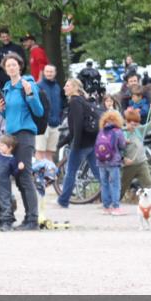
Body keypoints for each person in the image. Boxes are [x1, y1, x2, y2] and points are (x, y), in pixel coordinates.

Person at [0, 52, 42, 230]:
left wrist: (30, 94)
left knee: (25, 175)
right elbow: (7, 114)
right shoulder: (7, 87)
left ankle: (33, 218)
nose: (11, 67)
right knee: (18, 177)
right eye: (8, 65)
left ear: (20, 66)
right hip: (11, 136)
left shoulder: (28, 84)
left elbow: (38, 111)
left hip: (25, 134)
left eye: (14, 64)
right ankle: (27, 217)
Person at [56, 78, 100, 208]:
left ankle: (63, 201)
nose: (64, 88)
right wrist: (61, 143)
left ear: (75, 88)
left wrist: (74, 145)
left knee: (70, 173)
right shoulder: (82, 101)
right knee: (98, 172)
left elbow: (77, 126)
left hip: (80, 145)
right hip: (90, 143)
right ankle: (112, 197)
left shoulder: (75, 102)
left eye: (67, 85)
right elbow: (75, 128)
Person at [120, 104, 151, 200]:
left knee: (150, 186)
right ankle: (113, 204)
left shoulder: (140, 130)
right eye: (130, 121)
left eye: (135, 121)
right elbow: (118, 149)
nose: (133, 123)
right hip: (128, 166)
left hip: (142, 163)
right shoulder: (121, 132)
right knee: (121, 187)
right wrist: (124, 159)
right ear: (125, 121)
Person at [94, 109, 127, 216]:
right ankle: (116, 207)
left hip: (101, 162)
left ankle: (106, 207)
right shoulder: (118, 131)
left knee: (104, 184)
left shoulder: (101, 131)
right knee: (115, 184)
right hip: (113, 162)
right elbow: (122, 145)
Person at [0, 134, 24, 231]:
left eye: (2, 145)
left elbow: (14, 173)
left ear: (10, 148)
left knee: (5, 203)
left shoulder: (12, 159)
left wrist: (19, 169)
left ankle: (7, 222)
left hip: (4, 185)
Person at [35, 64, 64, 162]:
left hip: (55, 124)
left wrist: (59, 118)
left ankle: (49, 176)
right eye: (47, 71)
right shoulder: (38, 86)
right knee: (40, 151)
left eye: (51, 72)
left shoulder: (57, 87)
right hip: (43, 124)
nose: (49, 74)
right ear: (44, 72)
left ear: (55, 73)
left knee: (50, 152)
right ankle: (40, 175)